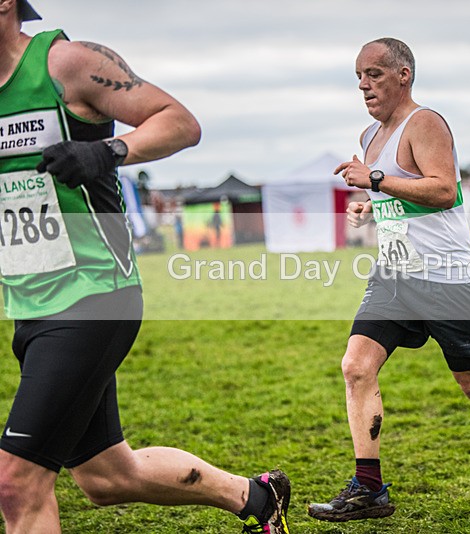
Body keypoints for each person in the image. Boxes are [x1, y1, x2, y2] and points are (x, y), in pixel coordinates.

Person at [0, 2, 289, 533]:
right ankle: (255, 497)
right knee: (107, 476)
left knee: (17, 480)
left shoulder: (67, 64)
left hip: (94, 296)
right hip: (29, 304)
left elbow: (180, 122)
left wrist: (109, 151)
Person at [307, 37, 470, 523]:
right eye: (358, 75)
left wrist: (374, 182)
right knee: (356, 366)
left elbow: (441, 190)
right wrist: (371, 208)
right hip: (394, 278)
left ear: (404, 75)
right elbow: (401, 195)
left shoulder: (427, 123)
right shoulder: (369, 137)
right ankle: (368, 488)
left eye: (374, 74)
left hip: (447, 280)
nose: (363, 84)